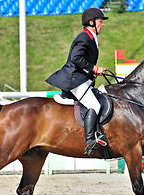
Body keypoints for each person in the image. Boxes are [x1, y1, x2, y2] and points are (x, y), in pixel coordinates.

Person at [46, 8, 109, 156]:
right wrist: (94, 68)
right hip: (74, 79)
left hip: (81, 78)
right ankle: (90, 141)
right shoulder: (84, 37)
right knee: (94, 104)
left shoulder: (91, 37)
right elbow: (76, 58)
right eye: (101, 21)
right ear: (92, 22)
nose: (103, 24)